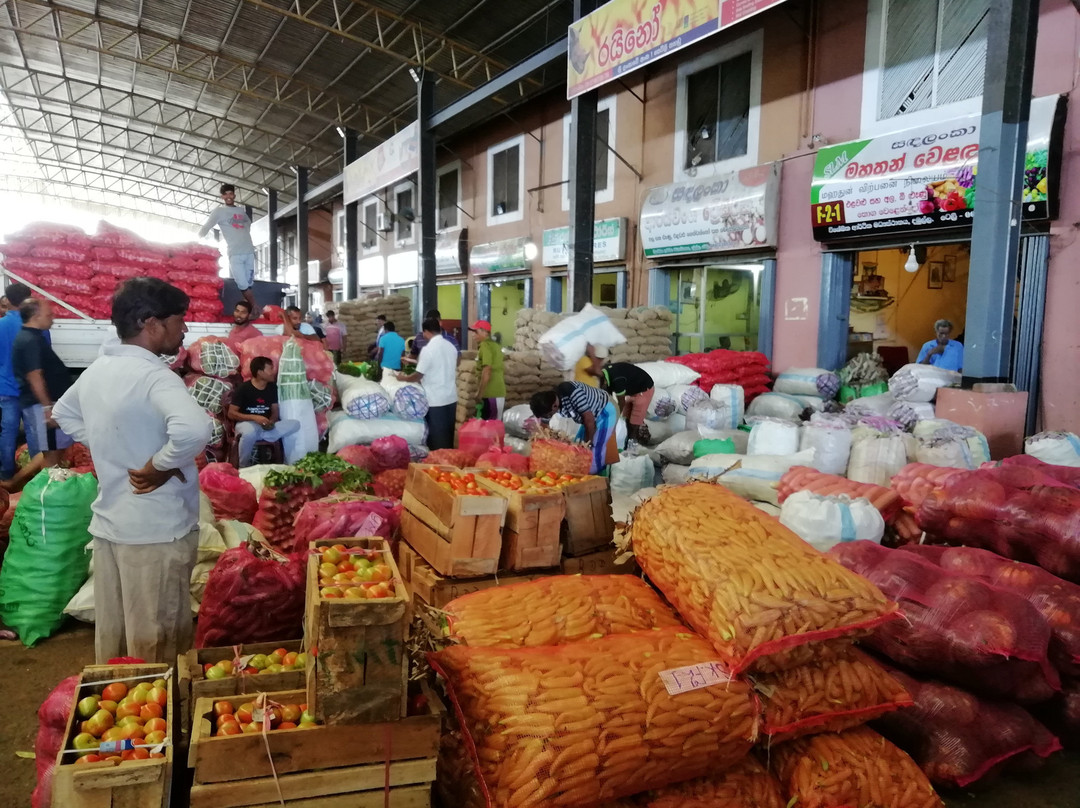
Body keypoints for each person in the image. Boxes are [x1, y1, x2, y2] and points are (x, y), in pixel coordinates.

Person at [53, 277, 212, 665]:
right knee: (158, 638)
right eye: (180, 319)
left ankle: (119, 711)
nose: (185, 328)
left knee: (117, 636)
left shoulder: (98, 369)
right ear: (151, 323)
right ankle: (159, 720)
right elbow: (196, 429)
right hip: (155, 531)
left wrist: (113, 447)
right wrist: (160, 464)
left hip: (111, 527)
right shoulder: (155, 376)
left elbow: (62, 413)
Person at [12, 299, 73, 466]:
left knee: (54, 452)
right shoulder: (30, 340)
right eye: (49, 314)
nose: (52, 318)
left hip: (44, 406)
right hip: (42, 407)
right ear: (36, 316)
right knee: (51, 456)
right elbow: (34, 376)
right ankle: (49, 489)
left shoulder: (33, 337)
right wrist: (47, 408)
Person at [530, 381, 619, 475]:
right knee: (577, 449)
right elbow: (543, 426)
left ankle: (595, 481)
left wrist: (588, 446)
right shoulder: (548, 403)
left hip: (605, 410)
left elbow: (589, 420)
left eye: (550, 415)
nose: (549, 417)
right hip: (589, 417)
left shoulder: (572, 393)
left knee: (593, 451)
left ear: (554, 406)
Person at [198, 183, 258, 317]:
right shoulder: (219, 212)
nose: (228, 196)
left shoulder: (241, 211)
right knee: (242, 284)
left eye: (231, 193)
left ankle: (247, 310)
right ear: (222, 197)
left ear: (234, 195)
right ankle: (255, 307)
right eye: (226, 194)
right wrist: (196, 242)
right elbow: (206, 227)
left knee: (248, 283)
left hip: (249, 251)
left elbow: (248, 224)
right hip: (235, 253)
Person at [229, 357, 302, 467]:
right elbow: (231, 413)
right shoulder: (243, 388)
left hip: (265, 426)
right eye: (270, 368)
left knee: (295, 424)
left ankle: (262, 434)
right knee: (250, 432)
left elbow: (275, 411)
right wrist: (255, 418)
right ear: (260, 372)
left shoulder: (272, 388)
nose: (274, 372)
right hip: (246, 424)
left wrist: (271, 421)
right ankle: (243, 467)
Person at [397, 318, 458, 450]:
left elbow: (418, 374)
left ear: (426, 332)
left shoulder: (428, 349)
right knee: (448, 435)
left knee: (437, 438)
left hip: (435, 400)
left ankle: (437, 465)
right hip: (451, 397)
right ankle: (450, 461)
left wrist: (403, 378)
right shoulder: (451, 346)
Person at [0, 282, 32, 479]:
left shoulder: (1, 325)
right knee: (33, 432)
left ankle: (6, 473)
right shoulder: (35, 324)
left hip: (6, 387)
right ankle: (34, 474)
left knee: (8, 431)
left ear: (8, 301)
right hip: (30, 388)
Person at [597, 362, 655, 448]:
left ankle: (632, 450)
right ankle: (627, 446)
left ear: (604, 382)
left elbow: (621, 403)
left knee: (634, 424)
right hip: (631, 390)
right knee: (627, 420)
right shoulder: (603, 375)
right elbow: (608, 399)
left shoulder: (617, 379)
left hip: (644, 390)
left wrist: (614, 420)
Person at [471, 320, 506, 420]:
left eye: (475, 332)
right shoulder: (495, 345)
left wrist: (479, 394)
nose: (473, 335)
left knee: (491, 428)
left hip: (491, 393)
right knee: (492, 426)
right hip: (495, 393)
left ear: (485, 332)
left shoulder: (485, 345)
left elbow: (487, 371)